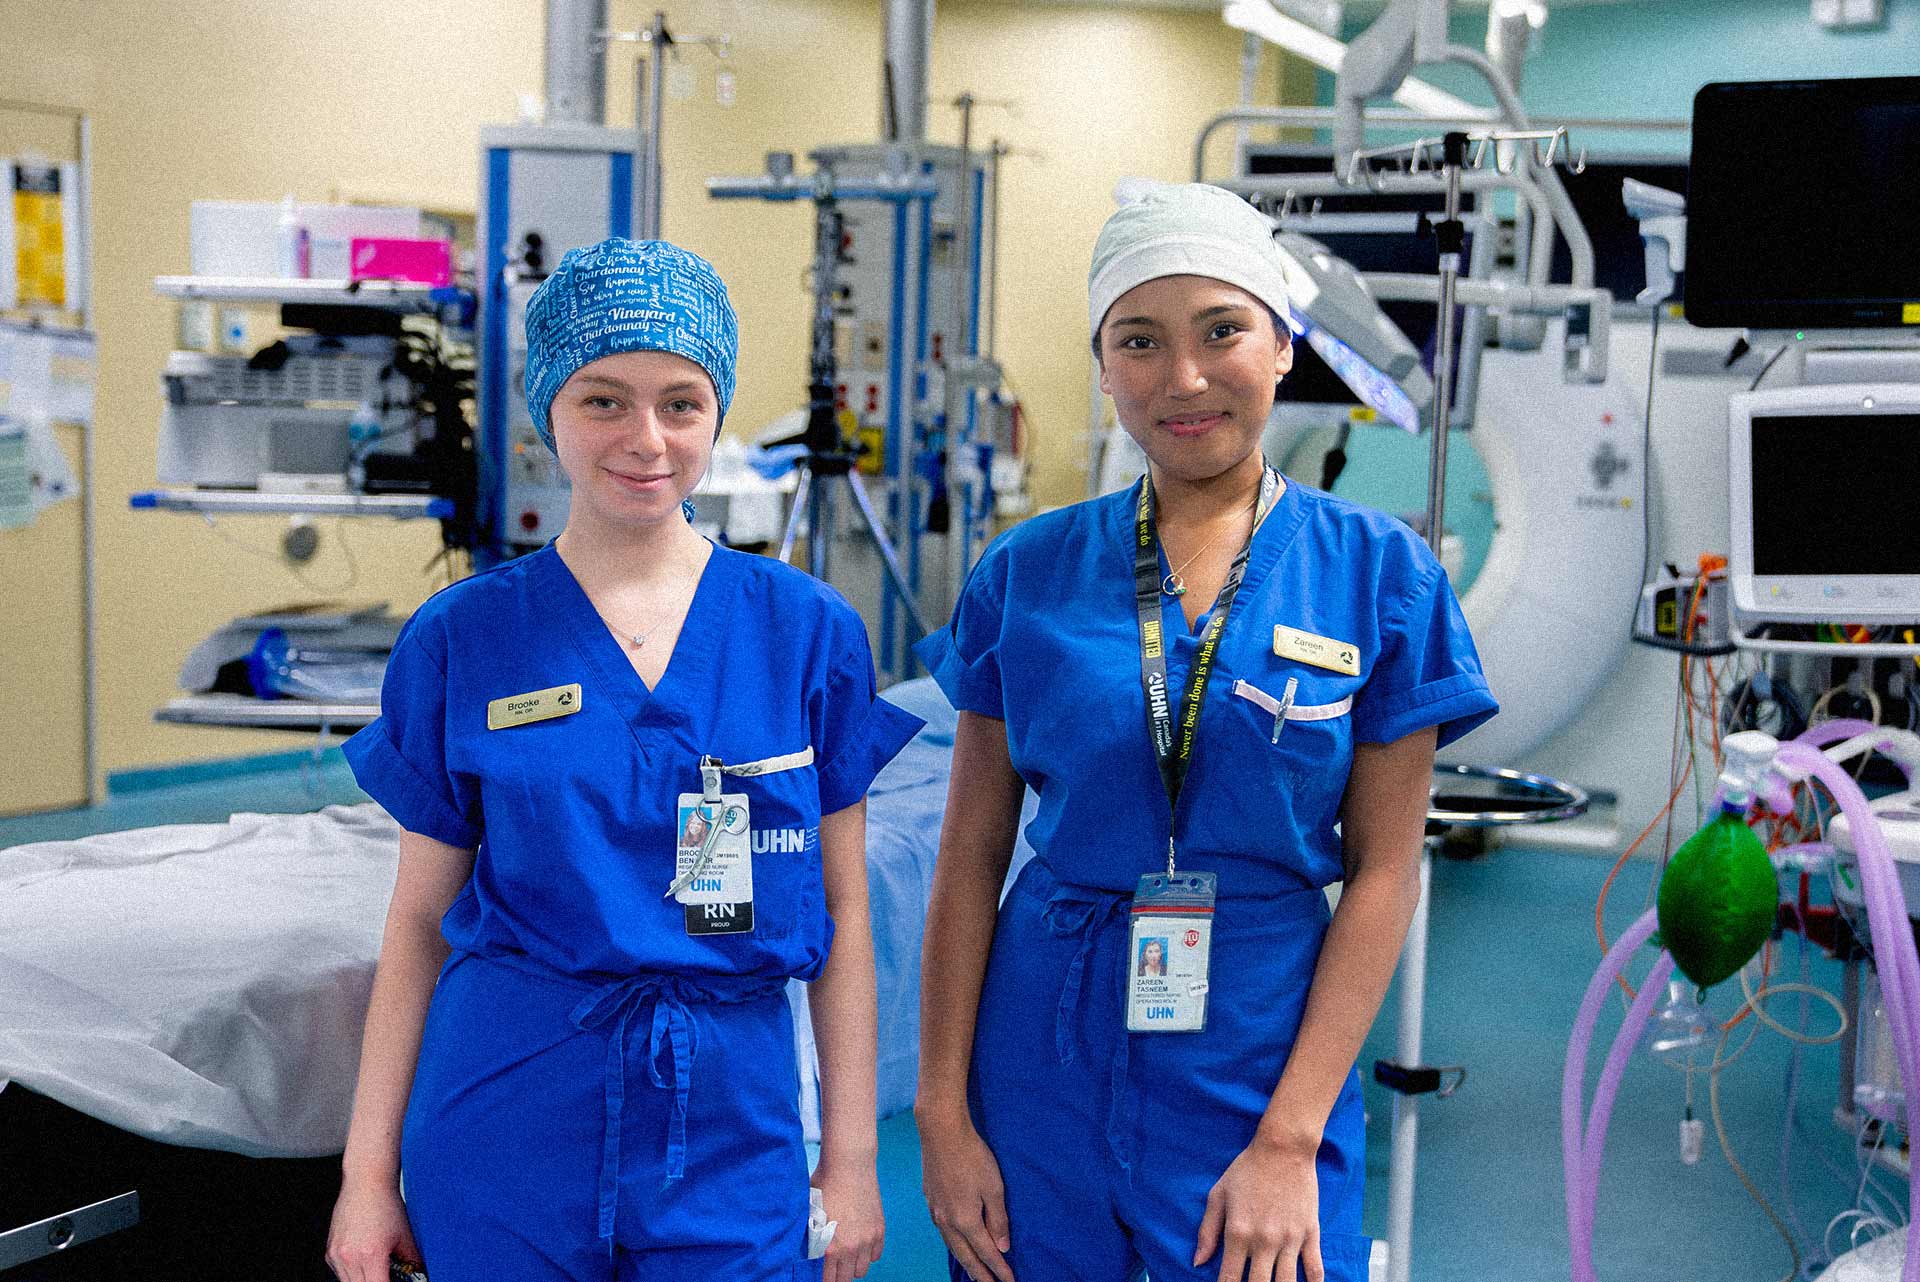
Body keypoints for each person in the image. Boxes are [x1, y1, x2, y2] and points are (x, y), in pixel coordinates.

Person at [914, 183, 1498, 1282]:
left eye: (1221, 331)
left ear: (1281, 347)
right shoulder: (1026, 573)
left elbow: (1383, 872)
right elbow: (969, 857)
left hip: (1258, 1037)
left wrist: (1288, 1137)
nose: (1183, 377)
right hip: (1043, 1029)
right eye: (1139, 341)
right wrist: (944, 1115)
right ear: (1103, 366)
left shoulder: (1378, 575)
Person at [324, 237, 922, 1282]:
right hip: (508, 1104)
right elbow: (420, 920)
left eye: (681, 403)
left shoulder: (805, 632)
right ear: (548, 407)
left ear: (717, 415)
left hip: (730, 1119)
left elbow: (845, 910)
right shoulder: (463, 638)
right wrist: (366, 1176)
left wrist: (856, 1160)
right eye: (605, 400)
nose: (646, 438)